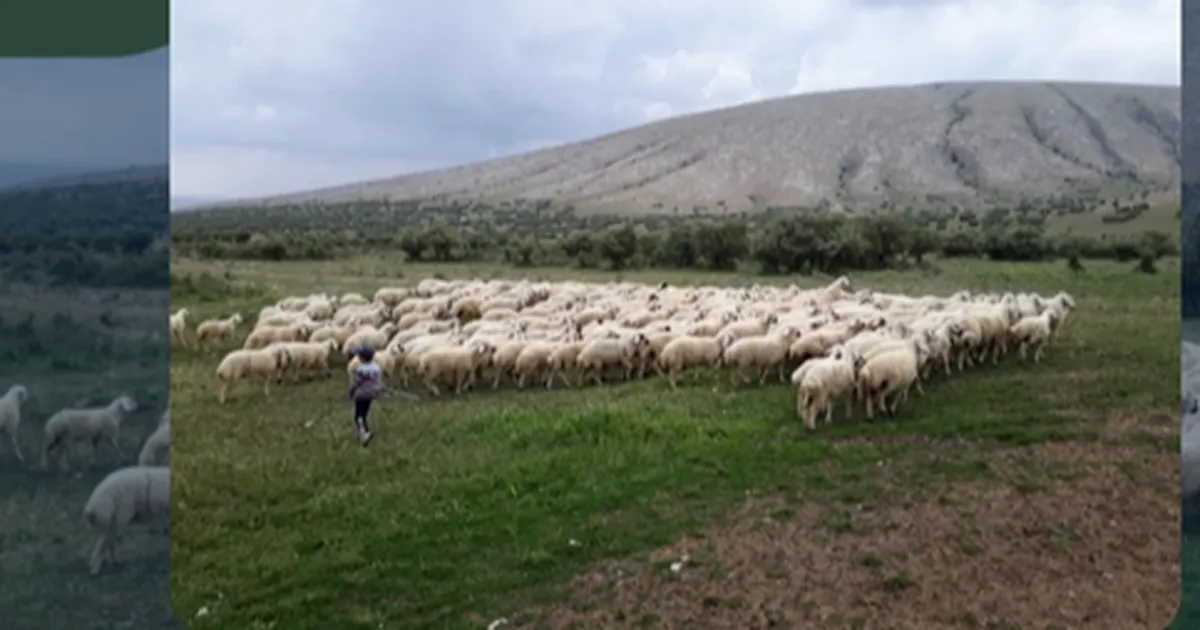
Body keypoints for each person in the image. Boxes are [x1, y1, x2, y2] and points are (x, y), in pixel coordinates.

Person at [347, 347, 383, 446]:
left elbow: (356, 383)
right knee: (364, 413)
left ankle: (364, 435)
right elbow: (378, 382)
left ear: (362, 359)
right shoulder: (376, 368)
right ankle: (364, 431)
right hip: (371, 395)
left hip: (361, 395)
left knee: (358, 416)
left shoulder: (361, 370)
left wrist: (351, 392)